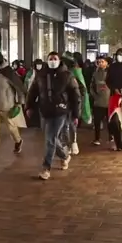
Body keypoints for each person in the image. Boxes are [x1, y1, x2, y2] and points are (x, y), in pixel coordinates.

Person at [26, 51, 81, 180]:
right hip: (45, 111)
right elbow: (32, 91)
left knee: (50, 139)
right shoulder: (41, 75)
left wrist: (76, 114)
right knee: (52, 138)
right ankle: (64, 156)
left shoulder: (67, 75)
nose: (52, 60)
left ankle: (46, 168)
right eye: (50, 58)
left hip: (60, 112)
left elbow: (76, 95)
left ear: (59, 60)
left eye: (55, 58)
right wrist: (29, 106)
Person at [0, 53, 26, 160]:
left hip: (7, 106)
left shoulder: (8, 73)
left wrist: (19, 104)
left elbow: (20, 88)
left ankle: (18, 141)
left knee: (11, 128)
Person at [90, 58, 111, 145]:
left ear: (107, 63)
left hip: (109, 102)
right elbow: (91, 86)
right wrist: (95, 96)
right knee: (97, 121)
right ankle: (97, 138)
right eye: (99, 62)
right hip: (98, 102)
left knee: (110, 121)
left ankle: (111, 137)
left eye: (102, 62)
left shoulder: (111, 73)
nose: (100, 63)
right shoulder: (95, 74)